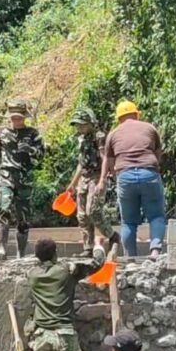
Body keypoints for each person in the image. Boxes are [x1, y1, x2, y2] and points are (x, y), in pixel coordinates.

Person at [0, 100, 46, 260]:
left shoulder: (32, 134)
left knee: (23, 218)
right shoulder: (1, 133)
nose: (16, 120)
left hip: (24, 179)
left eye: (19, 117)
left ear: (24, 117)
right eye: (13, 117)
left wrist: (30, 150)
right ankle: (2, 250)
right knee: (3, 210)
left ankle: (21, 254)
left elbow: (42, 155)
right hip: (5, 176)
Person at [97, 100, 165, 258]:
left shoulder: (113, 134)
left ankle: (131, 259)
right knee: (156, 216)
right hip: (149, 173)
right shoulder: (149, 128)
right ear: (136, 114)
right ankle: (155, 251)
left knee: (128, 222)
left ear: (119, 118)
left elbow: (108, 160)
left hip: (125, 176)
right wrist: (153, 170)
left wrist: (104, 180)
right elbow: (158, 154)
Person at [65, 107, 117, 256]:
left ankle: (112, 236)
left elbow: (104, 158)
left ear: (90, 123)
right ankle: (87, 248)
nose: (79, 127)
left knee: (93, 211)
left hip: (96, 176)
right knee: (82, 215)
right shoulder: (82, 139)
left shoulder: (100, 137)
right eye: (77, 125)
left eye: (82, 124)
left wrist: (103, 179)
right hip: (84, 177)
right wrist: (73, 183)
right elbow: (81, 163)